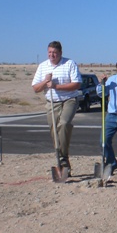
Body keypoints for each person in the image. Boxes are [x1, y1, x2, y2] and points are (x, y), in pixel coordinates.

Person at [31, 41, 82, 174]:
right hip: (51, 102)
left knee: (64, 124)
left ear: (60, 53)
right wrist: (45, 81)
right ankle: (61, 159)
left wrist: (56, 86)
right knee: (54, 131)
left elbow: (76, 84)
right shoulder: (43, 66)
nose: (52, 55)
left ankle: (63, 157)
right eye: (49, 52)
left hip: (69, 100)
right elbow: (36, 88)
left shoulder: (69, 63)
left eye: (54, 53)